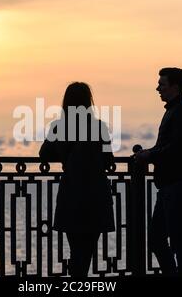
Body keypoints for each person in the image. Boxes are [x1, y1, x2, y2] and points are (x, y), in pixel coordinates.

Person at [39, 82, 115, 277]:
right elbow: (108, 160)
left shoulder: (59, 127)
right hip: (96, 194)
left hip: (72, 193)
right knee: (87, 250)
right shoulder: (100, 127)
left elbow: (44, 154)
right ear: (88, 101)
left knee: (76, 250)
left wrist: (66, 155)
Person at [135, 67, 182, 276]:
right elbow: (169, 146)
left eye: (162, 84)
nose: (157, 88)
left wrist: (150, 156)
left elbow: (178, 148)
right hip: (171, 185)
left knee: (178, 243)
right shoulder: (176, 110)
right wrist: (149, 154)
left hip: (177, 185)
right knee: (161, 239)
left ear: (175, 87)